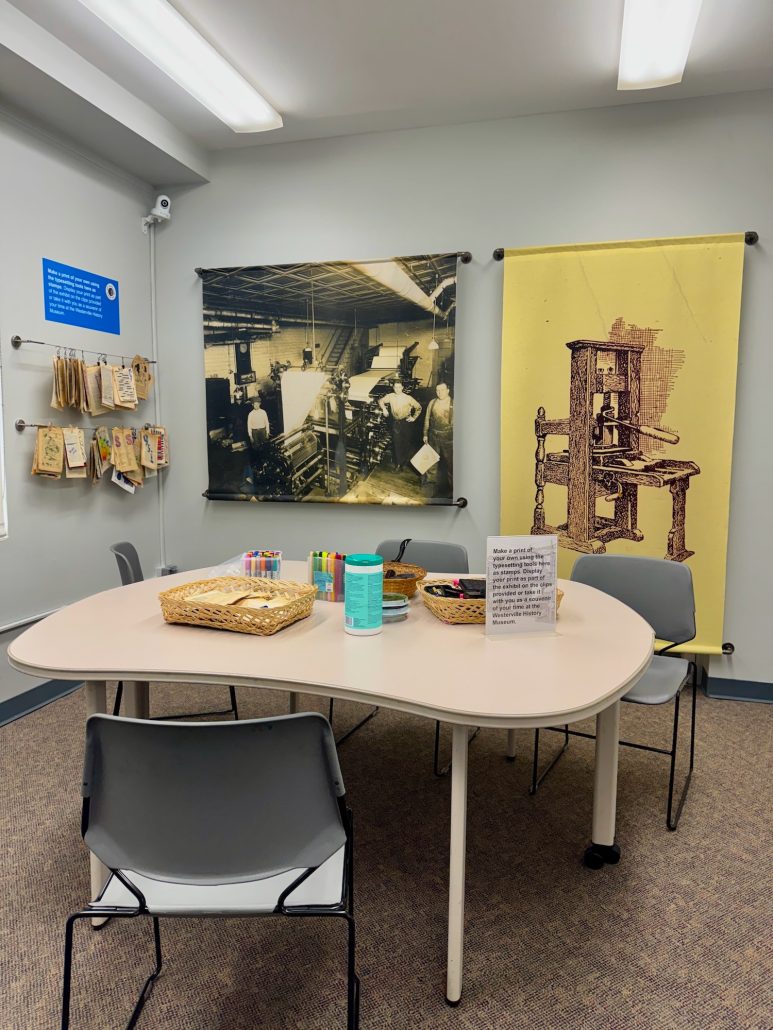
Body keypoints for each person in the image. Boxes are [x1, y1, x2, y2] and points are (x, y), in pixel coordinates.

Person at [379, 380, 421, 469]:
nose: (397, 389)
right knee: (397, 443)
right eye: (395, 387)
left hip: (406, 423)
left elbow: (419, 407)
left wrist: (413, 418)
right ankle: (398, 463)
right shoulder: (390, 396)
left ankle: (405, 462)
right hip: (396, 423)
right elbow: (380, 401)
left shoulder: (408, 398)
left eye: (399, 387)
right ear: (393, 388)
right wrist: (384, 409)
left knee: (406, 442)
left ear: (402, 388)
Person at [423, 382, 453, 496]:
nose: (439, 392)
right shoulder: (432, 402)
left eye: (442, 390)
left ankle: (452, 490)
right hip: (433, 436)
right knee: (431, 464)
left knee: (451, 466)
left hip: (448, 439)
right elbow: (427, 419)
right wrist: (425, 434)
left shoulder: (454, 404)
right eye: (437, 390)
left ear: (448, 390)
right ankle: (429, 487)